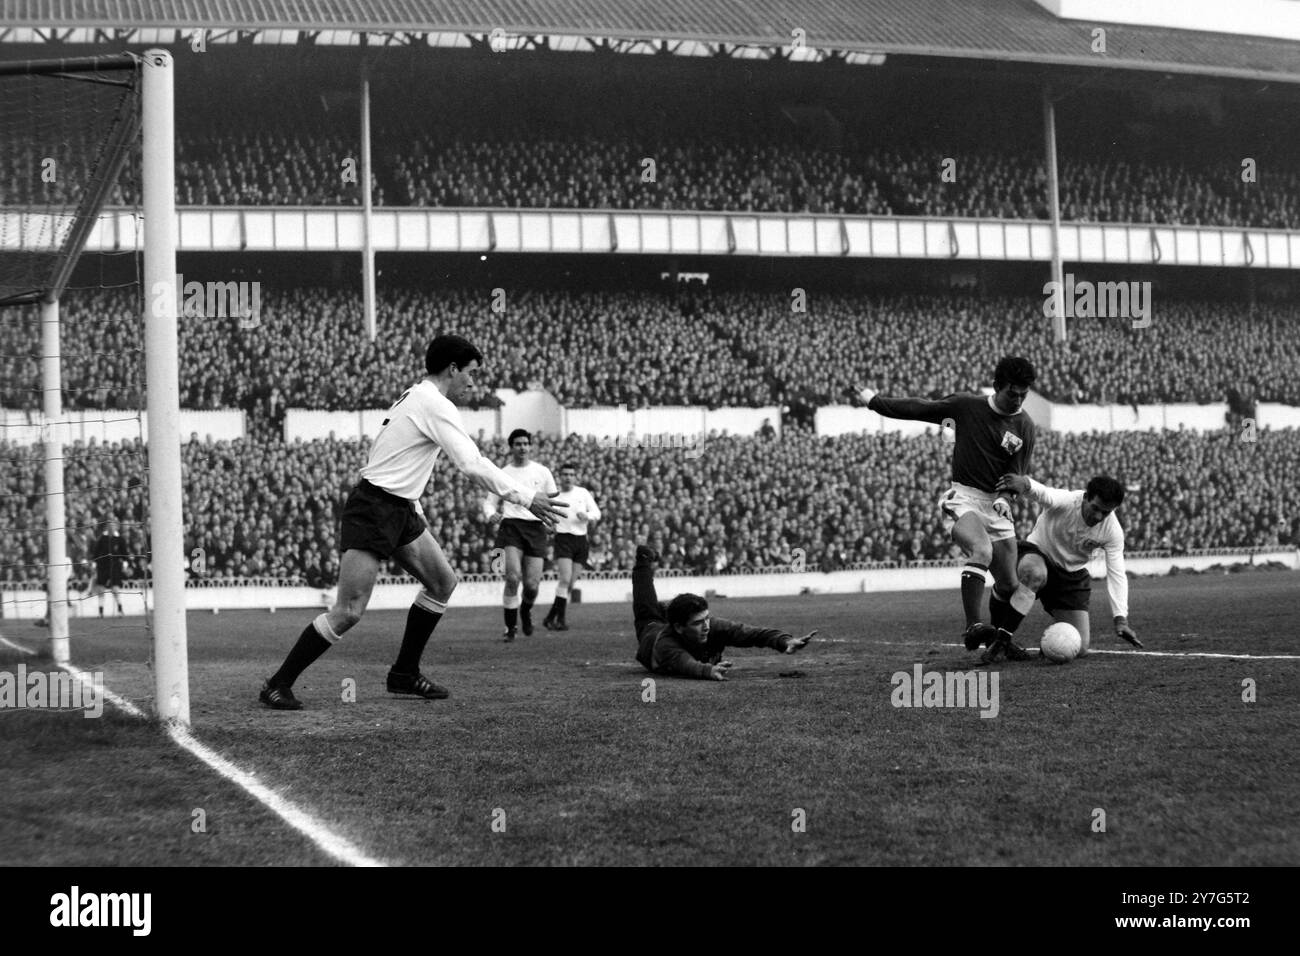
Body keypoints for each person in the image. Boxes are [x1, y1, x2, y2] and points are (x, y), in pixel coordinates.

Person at [259, 335, 566, 710]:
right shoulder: (433, 403)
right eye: (471, 373)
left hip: (399, 507)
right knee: (349, 610)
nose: (473, 382)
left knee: (442, 582)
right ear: (452, 369)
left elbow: (397, 458)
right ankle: (278, 683)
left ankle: (404, 673)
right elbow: (471, 464)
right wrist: (526, 496)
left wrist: (414, 508)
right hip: (375, 507)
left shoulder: (415, 396)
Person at [861, 355, 1037, 661]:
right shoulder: (966, 406)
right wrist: (875, 401)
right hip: (963, 497)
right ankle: (973, 626)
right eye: (1013, 393)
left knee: (1010, 585)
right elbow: (920, 408)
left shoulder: (1025, 426)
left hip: (995, 505)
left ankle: (1000, 642)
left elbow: (1017, 474)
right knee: (981, 551)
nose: (1018, 400)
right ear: (997, 386)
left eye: (1024, 394)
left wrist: (1006, 497)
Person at [993, 472, 1142, 656]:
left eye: (1106, 512)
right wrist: (1024, 483)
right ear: (1085, 497)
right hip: (1038, 554)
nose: (1098, 516)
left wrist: (1121, 619)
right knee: (1034, 573)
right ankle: (1001, 639)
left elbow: (1117, 573)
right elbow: (1043, 493)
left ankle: (1048, 646)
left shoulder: (1113, 531)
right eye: (1095, 508)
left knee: (1079, 646)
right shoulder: (1067, 501)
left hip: (1070, 576)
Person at [632, 545, 815, 680]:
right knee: (646, 605)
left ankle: (668, 608)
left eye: (706, 619)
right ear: (679, 627)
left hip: (675, 620)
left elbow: (751, 633)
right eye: (697, 623)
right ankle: (643, 559)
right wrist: (708, 671)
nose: (706, 627)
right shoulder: (665, 645)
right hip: (651, 630)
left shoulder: (712, 626)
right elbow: (685, 664)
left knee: (673, 609)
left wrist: (784, 640)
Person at [483, 429, 557, 642]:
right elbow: (490, 501)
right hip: (511, 527)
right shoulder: (502, 473)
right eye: (518, 444)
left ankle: (525, 610)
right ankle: (510, 628)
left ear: (530, 446)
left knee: (532, 585)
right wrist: (490, 514)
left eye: (525, 443)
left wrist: (550, 521)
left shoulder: (542, 472)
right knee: (513, 577)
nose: (522, 447)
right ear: (511, 447)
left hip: (536, 528)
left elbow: (551, 499)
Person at [543, 462, 602, 631]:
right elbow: (544, 516)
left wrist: (587, 516)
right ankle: (560, 620)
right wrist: (547, 526)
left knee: (569, 584)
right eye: (565, 474)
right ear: (559, 477)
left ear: (575, 477)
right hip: (563, 539)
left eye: (571, 475)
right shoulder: (554, 496)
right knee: (565, 579)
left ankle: (550, 617)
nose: (568, 477)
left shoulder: (582, 493)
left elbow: (597, 513)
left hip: (581, 541)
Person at [90, 518, 127, 617]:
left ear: (116, 526)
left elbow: (125, 554)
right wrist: (94, 563)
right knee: (101, 589)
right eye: (109, 525)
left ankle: (120, 610)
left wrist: (126, 564)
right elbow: (96, 552)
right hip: (102, 566)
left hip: (115, 567)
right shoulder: (102, 538)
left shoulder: (120, 539)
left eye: (113, 525)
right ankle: (101, 612)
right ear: (107, 527)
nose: (111, 527)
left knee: (115, 588)